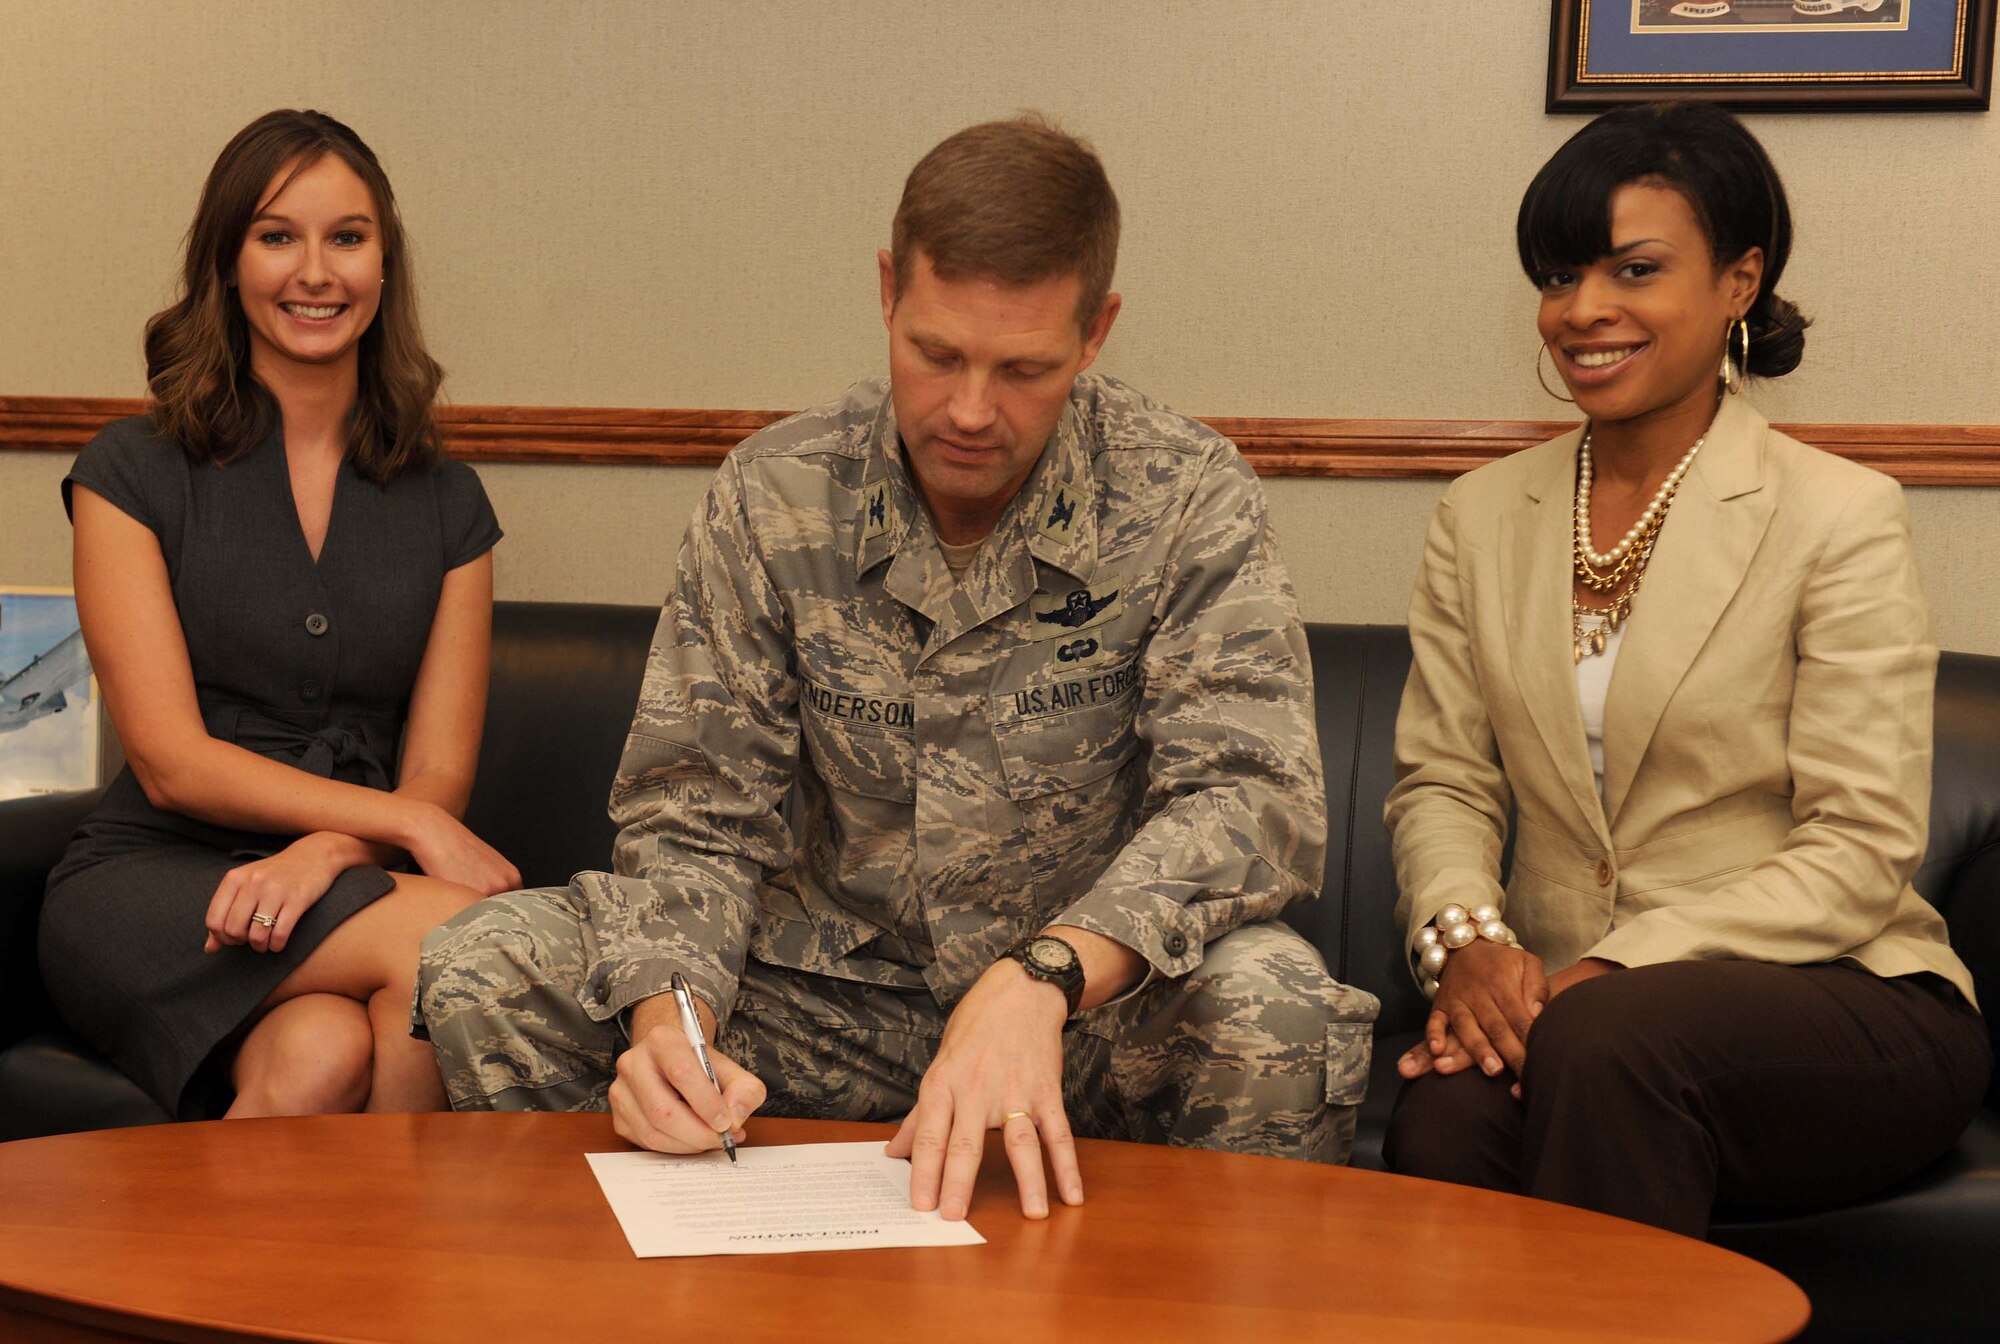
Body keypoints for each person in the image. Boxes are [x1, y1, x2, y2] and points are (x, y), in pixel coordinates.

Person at [416, 114, 1377, 1220]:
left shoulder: (1184, 496)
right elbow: (697, 815)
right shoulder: (773, 493)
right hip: (829, 1002)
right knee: (487, 966)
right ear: (886, 291)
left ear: (1097, 330)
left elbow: (1251, 801)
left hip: (1082, 1020)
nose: (970, 410)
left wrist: (1046, 976)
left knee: (1275, 1009)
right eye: (935, 354)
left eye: (1023, 369)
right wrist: (668, 1029)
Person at [1381, 101, 1987, 1237]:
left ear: (1738, 282)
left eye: (1634, 269)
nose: (1582, 311)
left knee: (1612, 1045)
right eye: (1559, 277)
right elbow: (1443, 784)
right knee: (1443, 1120)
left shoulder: (1838, 515)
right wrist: (1469, 948)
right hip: (1577, 1015)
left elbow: (1858, 846)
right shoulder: (1477, 517)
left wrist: (1610, 971)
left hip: (1839, 998)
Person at [40, 109, 518, 1121]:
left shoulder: (449, 503)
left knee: (321, 1057)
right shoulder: (130, 471)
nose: (315, 272)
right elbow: (172, 759)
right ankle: (411, 1280)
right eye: (276, 236)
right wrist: (393, 824)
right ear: (227, 261)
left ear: (385, 267)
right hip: (151, 885)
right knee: (458, 942)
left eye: (346, 237)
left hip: (335, 882)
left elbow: (439, 772)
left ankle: (250, 1283)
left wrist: (331, 850)